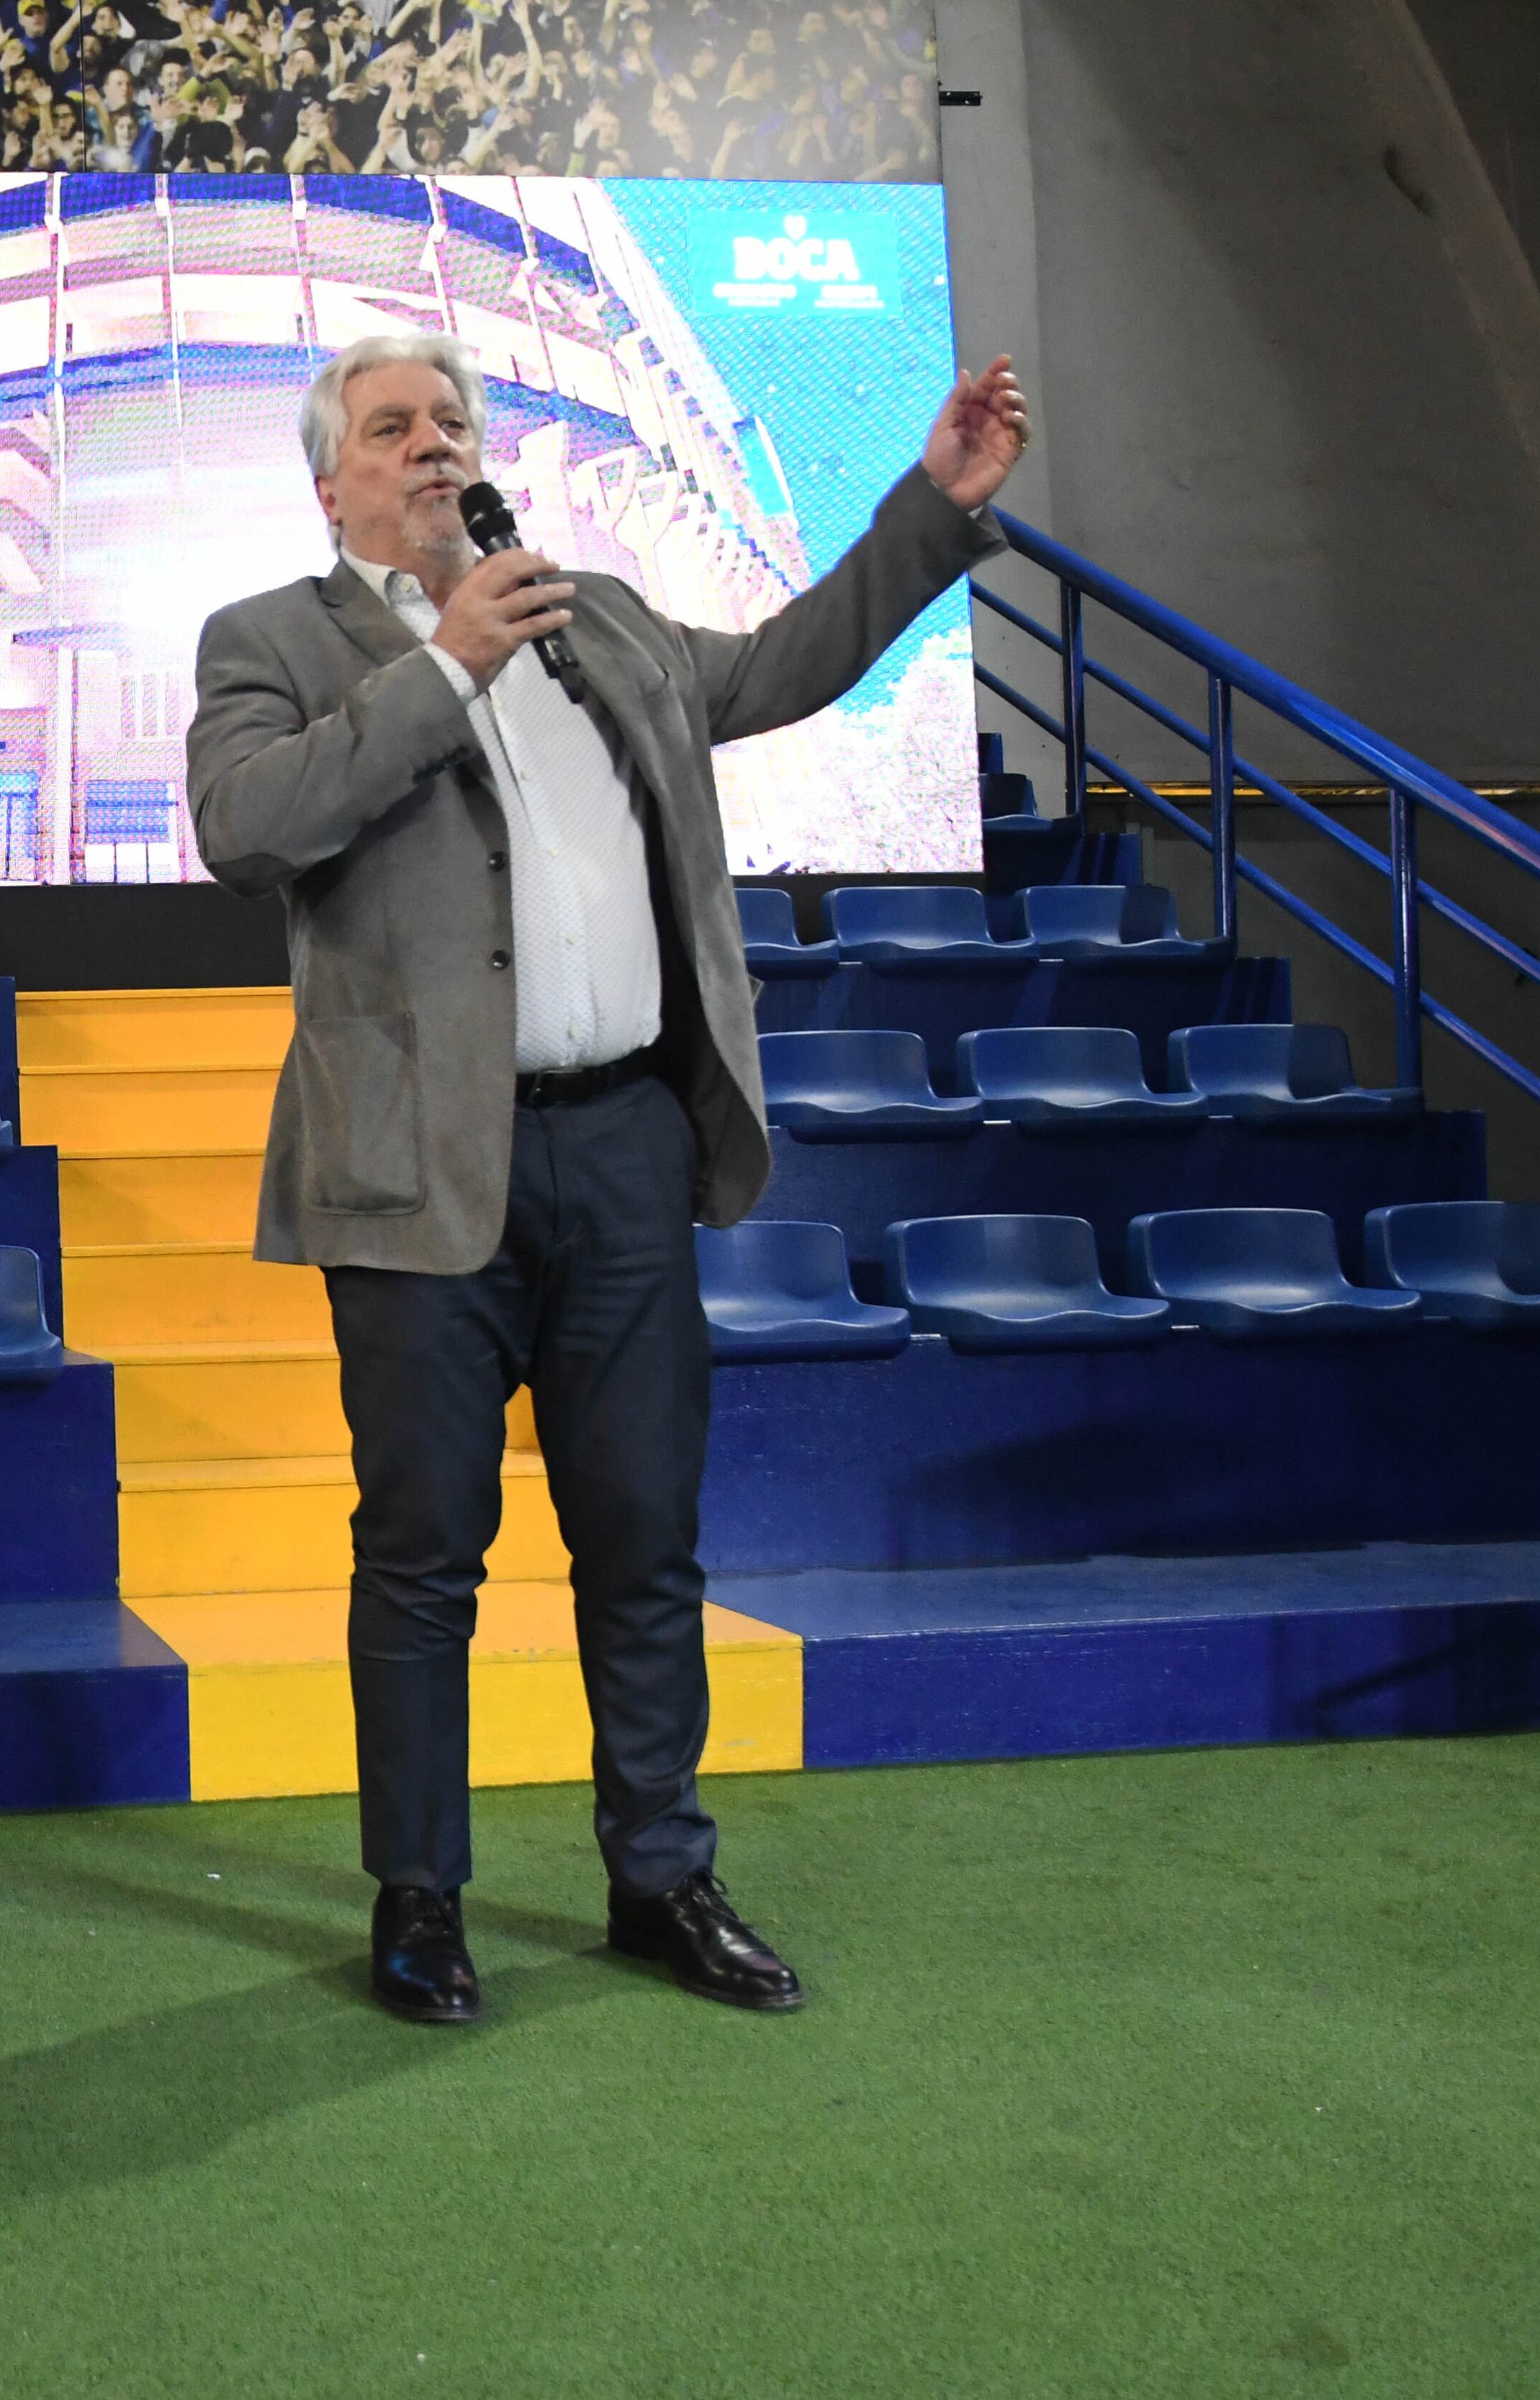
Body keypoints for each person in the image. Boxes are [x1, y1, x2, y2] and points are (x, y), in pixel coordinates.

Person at [186, 335, 1029, 2025]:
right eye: (392, 429)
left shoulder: (605, 617)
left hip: (627, 1144)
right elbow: (245, 821)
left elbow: (785, 663)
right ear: (329, 477)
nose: (434, 448)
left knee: (643, 1539)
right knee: (423, 1554)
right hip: (420, 1169)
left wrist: (931, 509)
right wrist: (446, 665)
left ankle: (662, 1872)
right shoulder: (272, 638)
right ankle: (419, 1899)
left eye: (453, 421)